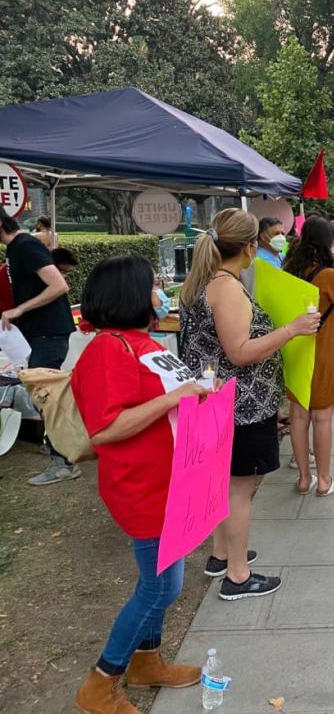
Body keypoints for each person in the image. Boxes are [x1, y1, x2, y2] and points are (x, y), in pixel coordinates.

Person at [70, 256, 207, 714]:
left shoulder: (139, 342)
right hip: (142, 486)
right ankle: (102, 679)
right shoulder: (109, 349)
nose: (160, 292)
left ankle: (148, 661)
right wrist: (174, 397)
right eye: (152, 286)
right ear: (129, 294)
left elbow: (170, 396)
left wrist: (201, 392)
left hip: (172, 480)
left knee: (164, 579)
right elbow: (104, 428)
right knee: (161, 587)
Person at [180, 208, 321, 600]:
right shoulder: (226, 287)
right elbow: (239, 351)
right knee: (241, 488)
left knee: (226, 484)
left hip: (217, 398)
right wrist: (291, 329)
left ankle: (222, 555)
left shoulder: (203, 281)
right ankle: (238, 576)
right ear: (248, 247)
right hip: (241, 405)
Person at [0, 212, 78, 485]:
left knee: (47, 397)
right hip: (38, 334)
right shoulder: (15, 248)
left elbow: (59, 285)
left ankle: (64, 462)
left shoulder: (25, 245)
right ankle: (62, 451)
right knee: (44, 396)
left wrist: (20, 308)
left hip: (49, 333)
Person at [283, 216, 334, 496]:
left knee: (299, 417)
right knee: (322, 419)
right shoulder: (328, 275)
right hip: (323, 352)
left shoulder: (289, 269)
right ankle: (324, 480)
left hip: (296, 350)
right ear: (327, 242)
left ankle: (303, 478)